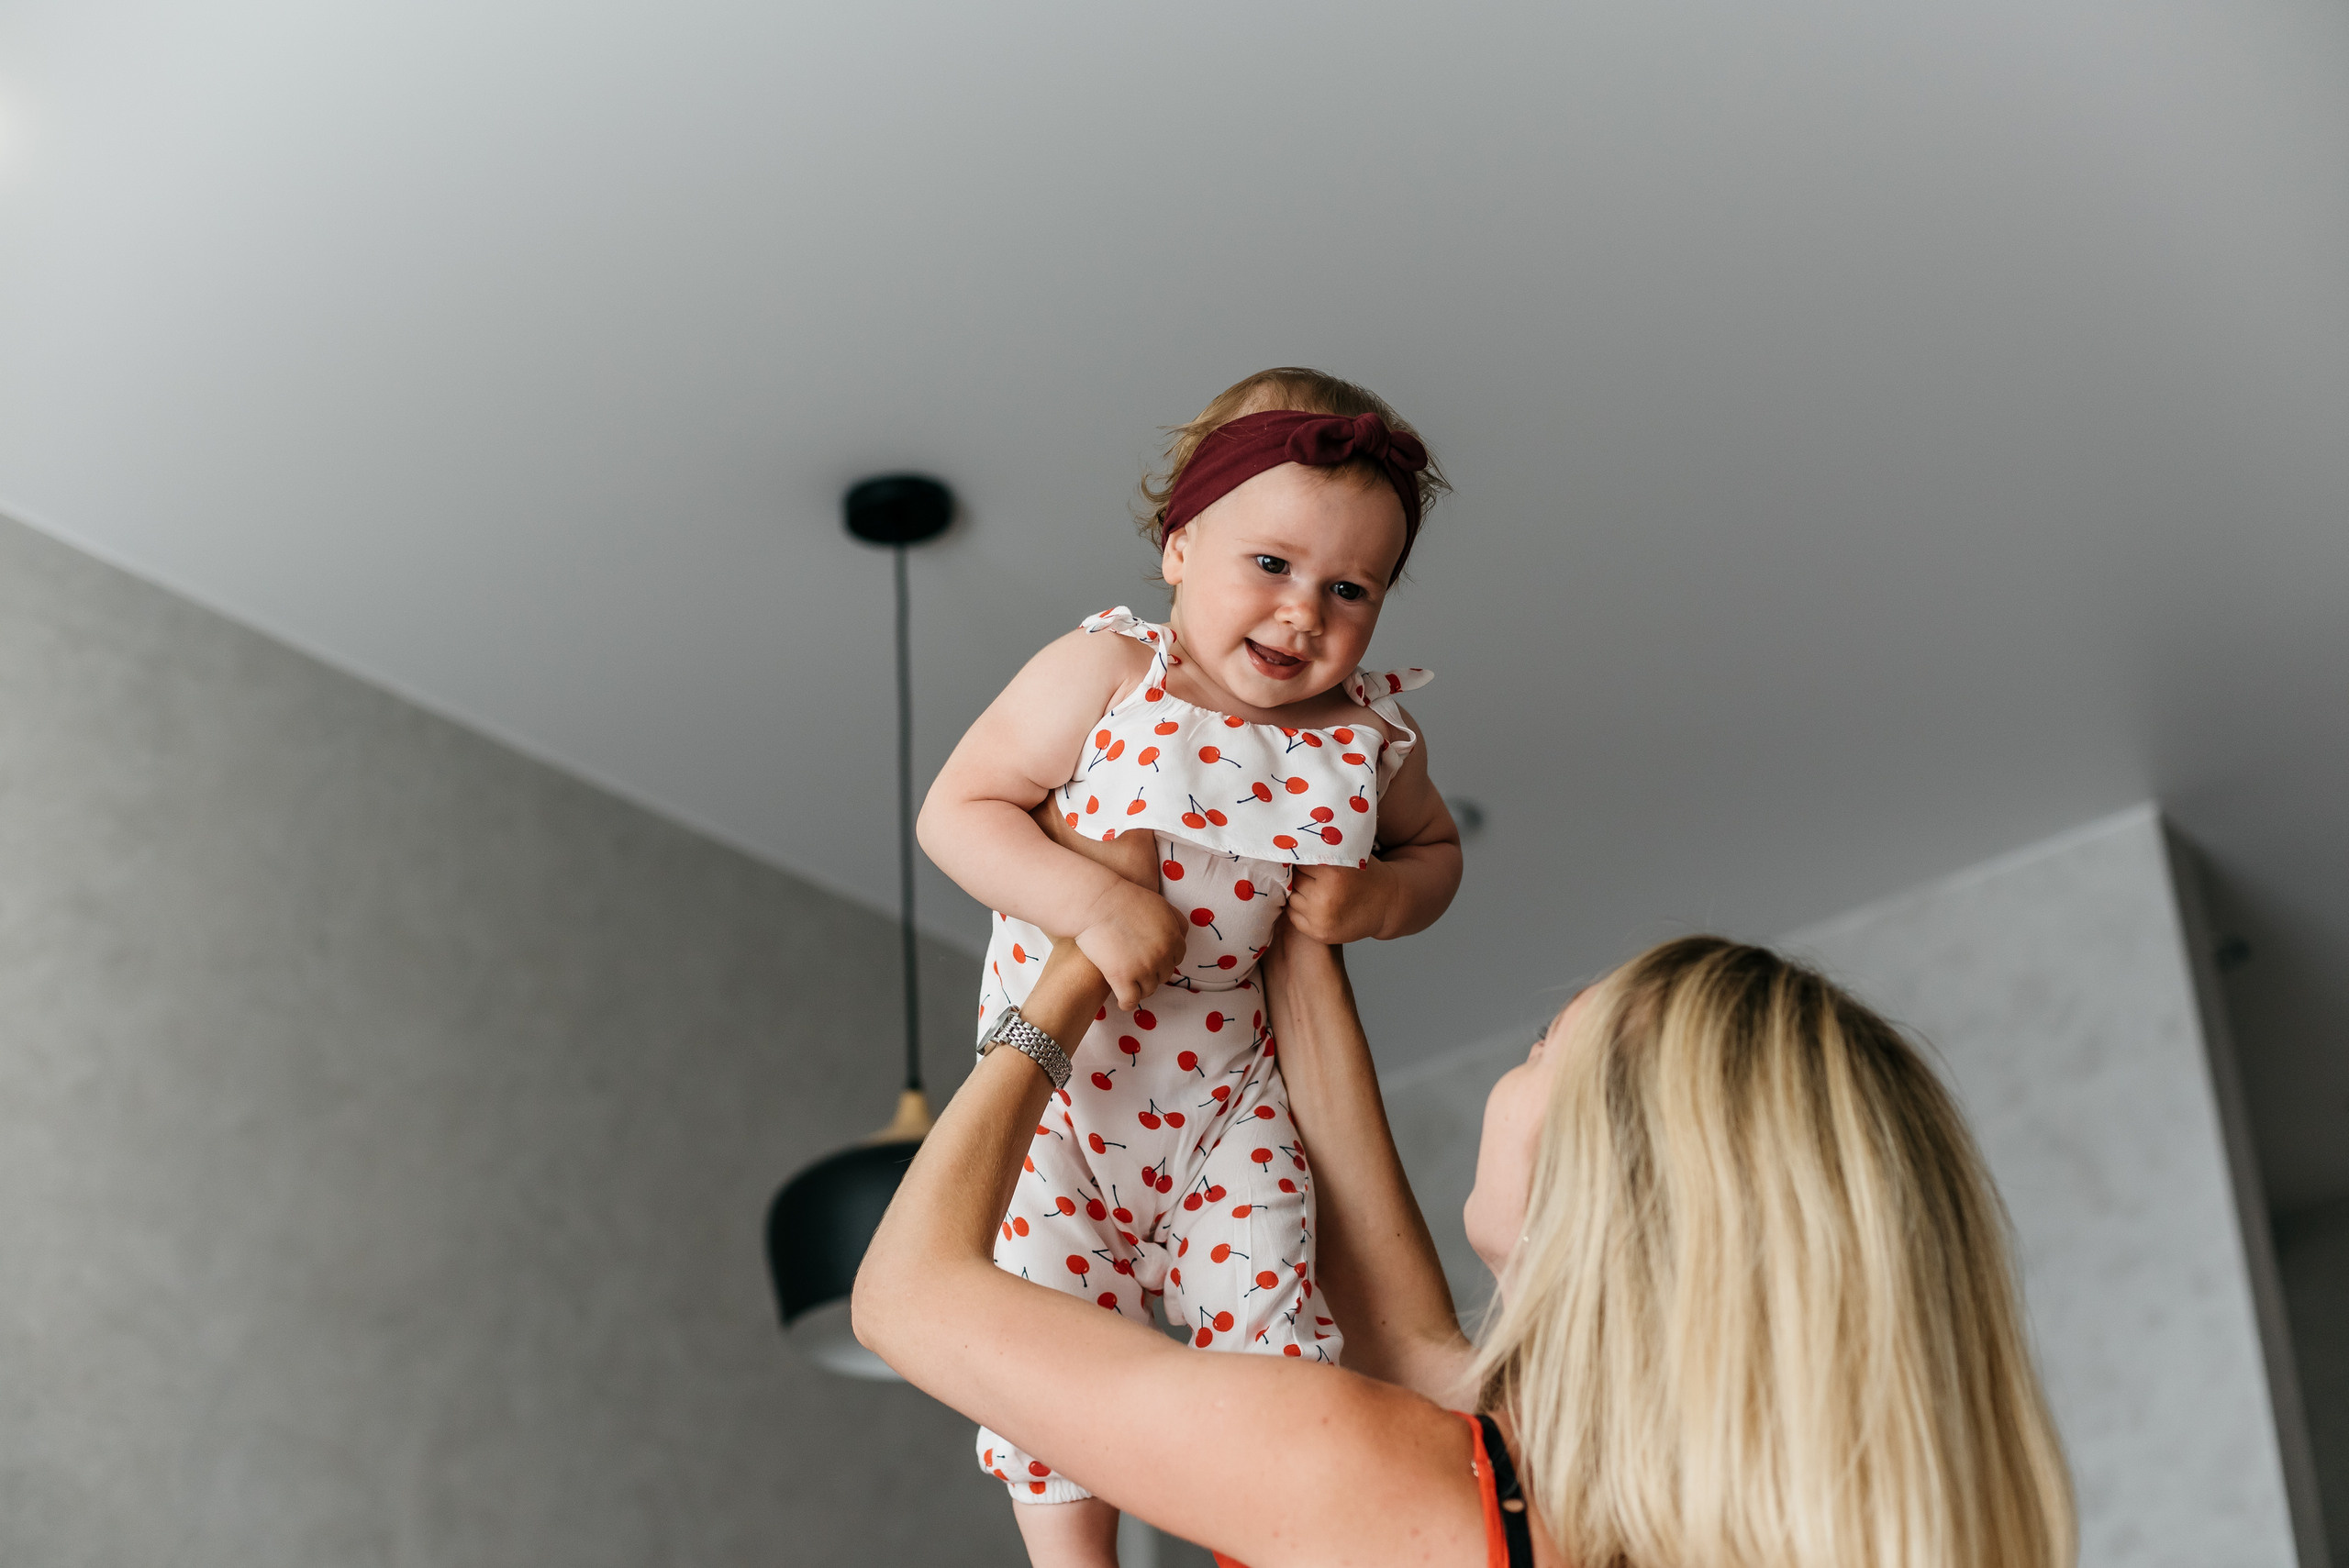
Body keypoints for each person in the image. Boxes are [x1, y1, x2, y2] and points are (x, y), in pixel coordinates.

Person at [853, 907, 2077, 1568]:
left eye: (1546, 1050)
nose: (1516, 1063)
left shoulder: (1396, 1481)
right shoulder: (1549, 1508)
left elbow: (908, 1295)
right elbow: (1397, 1327)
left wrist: (1061, 984)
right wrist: (1289, 919)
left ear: (1606, 1171)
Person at [915, 368, 1465, 1562]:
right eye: (1269, 565)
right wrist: (1089, 901)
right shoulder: (1109, 676)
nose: (1301, 613)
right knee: (1046, 1321)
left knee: (1275, 1317)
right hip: (1068, 1090)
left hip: (1225, 1094)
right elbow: (959, 809)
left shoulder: (1363, 741)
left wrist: (1377, 896)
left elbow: (1436, 854)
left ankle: (1274, 1537)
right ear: (1178, 549)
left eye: (1349, 588)